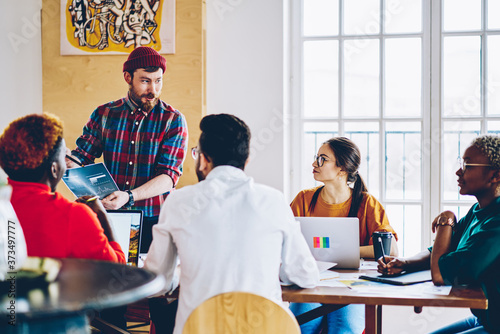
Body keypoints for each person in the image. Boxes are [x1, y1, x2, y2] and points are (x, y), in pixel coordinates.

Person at [144, 114, 320, 334]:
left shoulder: (179, 202)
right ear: (246, 161)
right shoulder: (274, 201)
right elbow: (305, 275)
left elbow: (155, 281)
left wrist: (180, 273)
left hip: (199, 329)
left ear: (204, 159)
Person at [0, 113, 127, 326]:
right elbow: (117, 276)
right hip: (54, 326)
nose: (67, 159)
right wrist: (103, 218)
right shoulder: (74, 216)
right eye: (64, 155)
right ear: (54, 168)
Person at [66, 46, 188, 255]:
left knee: (151, 283)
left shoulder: (173, 120)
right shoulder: (104, 114)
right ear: (127, 77)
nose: (153, 89)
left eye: (158, 81)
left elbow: (169, 176)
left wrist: (128, 196)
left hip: (155, 220)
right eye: (145, 81)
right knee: (112, 278)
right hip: (111, 218)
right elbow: (81, 158)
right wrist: (65, 160)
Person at [378, 135, 500, 334]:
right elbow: (443, 251)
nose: (458, 171)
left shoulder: (496, 222)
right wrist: (406, 263)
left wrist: (447, 219)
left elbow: (440, 274)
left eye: (468, 165)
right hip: (485, 319)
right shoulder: (478, 211)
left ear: (495, 175)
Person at [289, 136, 399, 334]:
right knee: (300, 328)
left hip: (352, 286)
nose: (315, 163)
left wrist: (346, 252)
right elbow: (284, 241)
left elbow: (390, 249)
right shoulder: (303, 200)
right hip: (311, 283)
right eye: (316, 157)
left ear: (342, 169)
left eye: (323, 159)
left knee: (344, 329)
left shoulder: (367, 204)